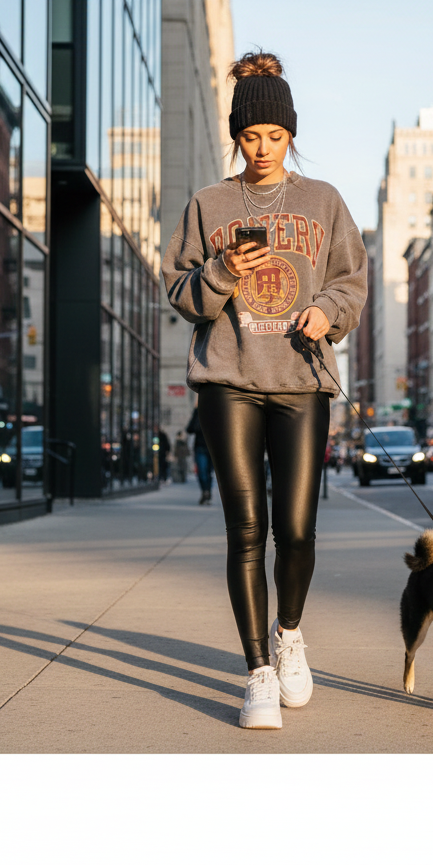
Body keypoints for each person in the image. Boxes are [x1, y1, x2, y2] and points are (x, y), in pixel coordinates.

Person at [162, 51, 367, 730]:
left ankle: (289, 635)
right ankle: (256, 674)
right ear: (236, 135)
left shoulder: (324, 201)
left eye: (274, 137)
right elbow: (181, 293)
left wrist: (326, 312)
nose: (261, 150)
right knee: (246, 529)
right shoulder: (209, 205)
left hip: (301, 379)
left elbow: (350, 283)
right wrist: (220, 271)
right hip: (230, 380)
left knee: (298, 528)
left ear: (290, 135)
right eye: (250, 137)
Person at [187, 406, 213, 504]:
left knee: (208, 472)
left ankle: (207, 492)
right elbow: (190, 429)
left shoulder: (217, 410)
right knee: (202, 471)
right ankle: (205, 491)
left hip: (212, 448)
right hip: (200, 447)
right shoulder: (198, 412)